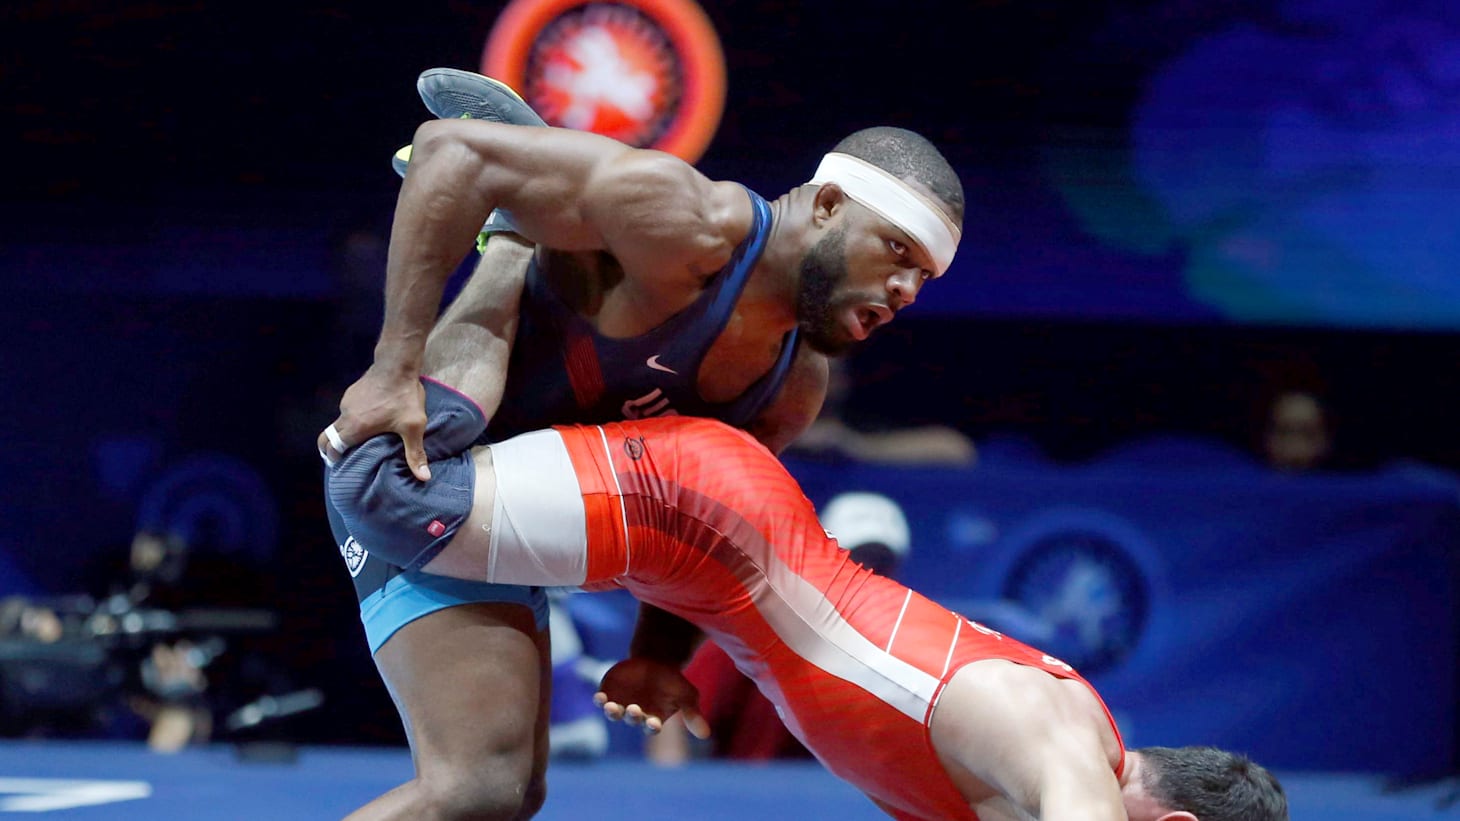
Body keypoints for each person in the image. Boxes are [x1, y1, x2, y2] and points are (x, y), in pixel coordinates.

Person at [318, 69, 965, 819]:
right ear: (826, 206)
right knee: (473, 788)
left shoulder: (794, 383)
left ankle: (519, 226)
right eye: (896, 250)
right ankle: (514, 237)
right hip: (417, 468)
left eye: (923, 275)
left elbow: (709, 529)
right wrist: (393, 367)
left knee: (507, 795)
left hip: (505, 498)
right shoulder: (685, 220)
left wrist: (658, 653)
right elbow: (447, 151)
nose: (906, 290)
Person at [327, 411, 1288, 821]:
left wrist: (660, 646)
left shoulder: (1029, 784)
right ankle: (505, 216)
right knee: (378, 476)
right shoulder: (1064, 736)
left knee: (490, 793)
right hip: (717, 514)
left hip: (709, 564)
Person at [646, 490, 912, 765]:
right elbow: (672, 706)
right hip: (754, 787)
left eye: (880, 566)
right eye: (854, 562)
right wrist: (671, 782)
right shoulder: (757, 631)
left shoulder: (906, 652)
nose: (868, 575)